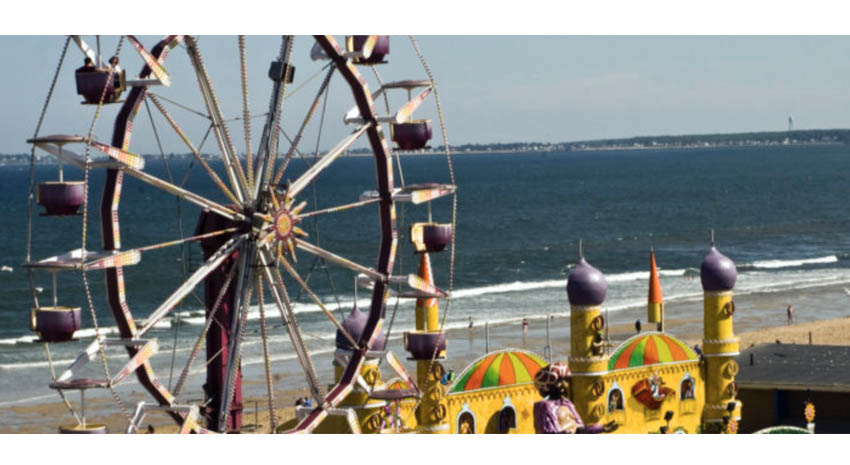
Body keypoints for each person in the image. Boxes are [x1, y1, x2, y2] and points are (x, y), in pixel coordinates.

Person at [532, 362, 618, 434]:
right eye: (559, 381)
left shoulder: (567, 403)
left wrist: (600, 428)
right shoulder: (544, 407)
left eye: (565, 381)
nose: (564, 385)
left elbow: (579, 429)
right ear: (549, 386)